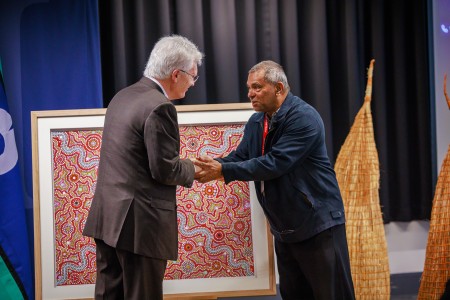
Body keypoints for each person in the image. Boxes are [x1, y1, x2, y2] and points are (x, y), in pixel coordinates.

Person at [195, 60, 355, 300]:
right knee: (294, 295)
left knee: (330, 295)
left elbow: (275, 163)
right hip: (285, 229)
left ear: (279, 88)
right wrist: (205, 166)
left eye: (257, 87)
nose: (250, 94)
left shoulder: (304, 117)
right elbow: (239, 157)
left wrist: (222, 171)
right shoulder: (257, 121)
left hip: (318, 225)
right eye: (249, 87)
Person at [82, 35, 204, 300]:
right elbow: (164, 170)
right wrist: (192, 168)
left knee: (109, 294)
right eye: (192, 76)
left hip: (107, 218)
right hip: (139, 226)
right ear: (175, 74)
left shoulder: (122, 96)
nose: (193, 83)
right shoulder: (160, 107)